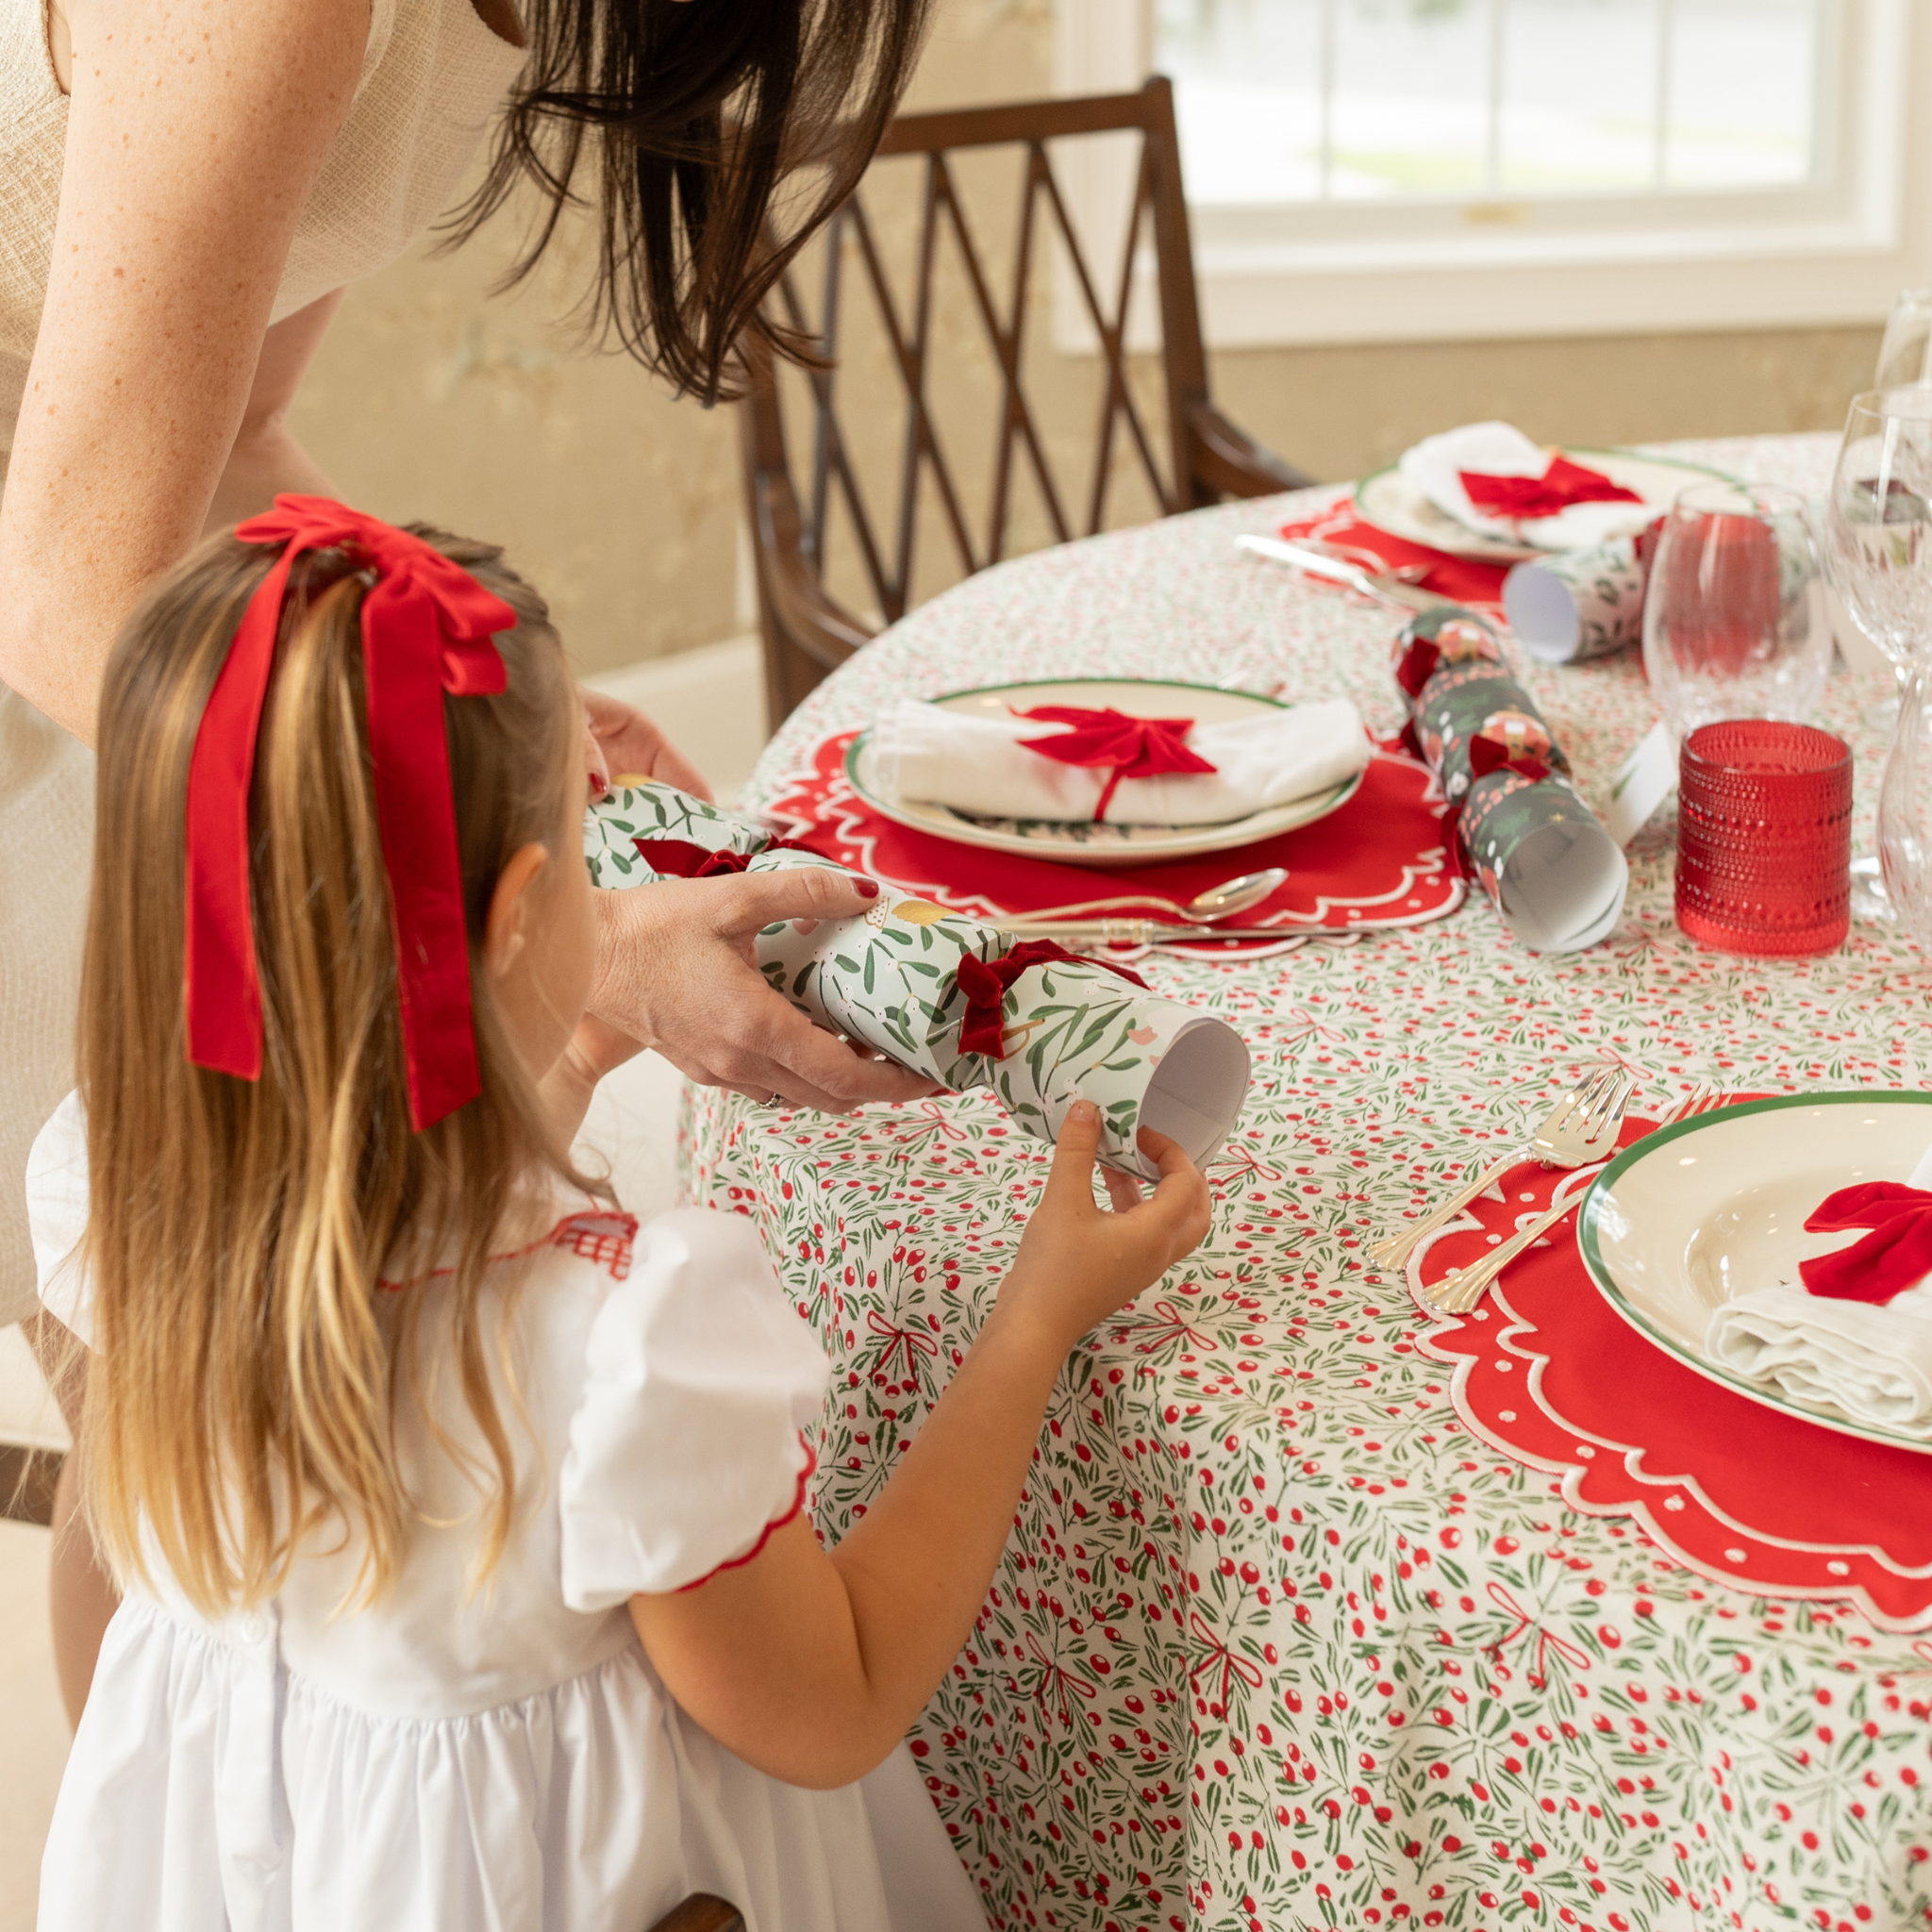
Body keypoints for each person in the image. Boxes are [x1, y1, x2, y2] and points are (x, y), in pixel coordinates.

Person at [25, 505, 1213, 1929]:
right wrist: (1032, 1323)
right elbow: (831, 1700)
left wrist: (569, 1061)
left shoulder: (110, 1192)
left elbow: (404, 1243)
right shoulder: (627, 1350)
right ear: (531, 907)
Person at [1, 0, 937, 1721]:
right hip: (73, 637)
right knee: (172, 1391)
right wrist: (576, 924)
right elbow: (72, 595)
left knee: (198, 1384)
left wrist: (502, 692)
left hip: (109, 622)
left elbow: (234, 445)